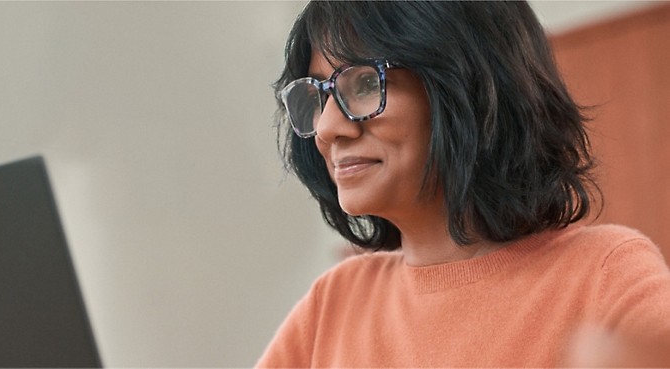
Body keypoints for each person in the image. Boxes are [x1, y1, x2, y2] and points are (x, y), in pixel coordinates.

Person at [256, 1, 670, 367]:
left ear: (468, 87)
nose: (328, 127)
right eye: (318, 95)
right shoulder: (334, 302)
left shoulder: (607, 276)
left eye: (365, 83)